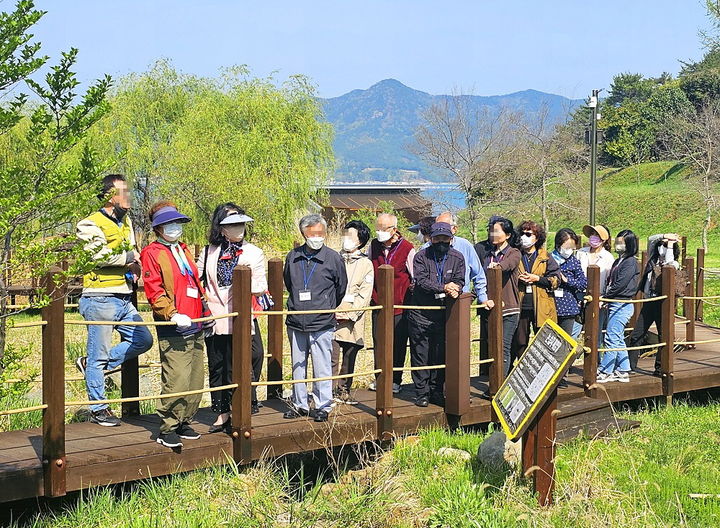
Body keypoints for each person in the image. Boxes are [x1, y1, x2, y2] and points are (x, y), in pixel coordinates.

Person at [75, 174, 153, 427]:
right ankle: (99, 408)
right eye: (124, 192)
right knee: (98, 354)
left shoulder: (126, 222)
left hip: (123, 295)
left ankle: (90, 367)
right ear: (110, 195)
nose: (129, 197)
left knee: (143, 339)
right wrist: (130, 256)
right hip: (99, 297)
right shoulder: (89, 224)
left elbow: (131, 253)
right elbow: (99, 255)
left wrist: (133, 263)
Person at [141, 201, 212, 448]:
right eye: (168, 224)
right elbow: (154, 290)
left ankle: (184, 420)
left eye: (177, 223)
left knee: (195, 378)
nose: (174, 228)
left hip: (196, 320)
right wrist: (170, 312)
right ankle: (167, 426)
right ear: (158, 228)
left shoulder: (182, 250)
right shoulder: (152, 253)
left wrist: (205, 309)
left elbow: (195, 283)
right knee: (177, 377)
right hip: (174, 323)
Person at [196, 204, 267, 433]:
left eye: (240, 223)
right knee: (218, 364)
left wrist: (242, 282)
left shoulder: (254, 252)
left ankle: (243, 404)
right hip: (216, 317)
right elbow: (198, 280)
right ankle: (221, 411)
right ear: (221, 228)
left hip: (242, 315)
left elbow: (261, 284)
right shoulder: (208, 252)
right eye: (231, 224)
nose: (238, 228)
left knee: (248, 358)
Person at [283, 214, 347, 422]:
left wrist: (326, 305)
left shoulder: (333, 258)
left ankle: (323, 405)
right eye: (313, 234)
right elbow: (288, 283)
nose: (317, 237)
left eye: (321, 234)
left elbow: (341, 288)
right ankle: (299, 403)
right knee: (297, 365)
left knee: (322, 365)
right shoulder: (293, 256)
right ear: (304, 234)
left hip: (322, 321)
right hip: (296, 320)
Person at [407, 222, 465, 407]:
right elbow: (421, 280)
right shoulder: (421, 256)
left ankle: (437, 390)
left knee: (440, 354)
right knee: (420, 354)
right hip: (420, 314)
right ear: (431, 239)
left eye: (445, 239)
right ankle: (421, 392)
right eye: (437, 238)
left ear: (451, 239)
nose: (441, 242)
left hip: (445, 314)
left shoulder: (458, 257)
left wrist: (456, 287)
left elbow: (460, 279)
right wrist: (443, 287)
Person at [368, 213, 415, 394]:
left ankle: (395, 380)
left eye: (383, 229)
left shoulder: (407, 248)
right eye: (377, 228)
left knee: (398, 343)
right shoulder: (374, 246)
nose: (379, 232)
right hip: (378, 304)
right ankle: (379, 378)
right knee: (379, 342)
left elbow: (414, 276)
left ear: (394, 229)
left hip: (400, 306)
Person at [331, 220, 374, 404]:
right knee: (330, 356)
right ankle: (328, 391)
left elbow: (365, 293)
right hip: (331, 316)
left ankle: (344, 390)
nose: (346, 239)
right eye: (345, 234)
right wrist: (332, 312)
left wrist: (349, 314)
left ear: (360, 241)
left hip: (353, 318)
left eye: (351, 235)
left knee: (350, 355)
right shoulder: (333, 258)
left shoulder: (366, 264)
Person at [626, 233, 681, 375]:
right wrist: (664, 236)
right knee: (637, 333)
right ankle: (630, 366)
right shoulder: (653, 259)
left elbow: (668, 263)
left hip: (664, 304)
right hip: (650, 301)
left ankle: (660, 368)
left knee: (664, 336)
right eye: (661, 245)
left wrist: (670, 244)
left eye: (666, 247)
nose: (662, 248)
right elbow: (650, 239)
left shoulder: (674, 263)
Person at [474, 216, 521, 376]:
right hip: (490, 307)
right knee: (491, 346)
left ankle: (499, 383)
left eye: (497, 231)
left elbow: (508, 265)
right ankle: (493, 380)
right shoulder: (487, 254)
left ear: (507, 235)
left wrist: (498, 266)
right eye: (491, 231)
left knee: (503, 346)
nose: (493, 234)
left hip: (509, 309)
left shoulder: (513, 252)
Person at [510, 220, 560, 369]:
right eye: (522, 233)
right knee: (520, 341)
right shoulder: (515, 254)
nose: (524, 237)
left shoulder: (546, 257)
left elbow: (556, 280)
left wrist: (537, 278)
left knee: (543, 341)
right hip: (520, 304)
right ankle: (525, 369)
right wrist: (518, 278)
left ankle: (542, 371)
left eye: (528, 234)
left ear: (537, 238)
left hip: (542, 306)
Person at [597, 229, 640, 383]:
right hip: (614, 302)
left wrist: (605, 297)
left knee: (611, 337)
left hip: (622, 303)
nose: (618, 245)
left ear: (629, 244)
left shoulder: (631, 262)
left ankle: (605, 370)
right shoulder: (619, 260)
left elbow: (621, 284)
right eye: (617, 241)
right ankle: (623, 369)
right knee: (618, 337)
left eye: (622, 242)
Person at [433, 212, 491, 307]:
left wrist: (483, 298)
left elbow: (478, 275)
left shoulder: (465, 246)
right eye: (437, 226)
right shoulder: (426, 249)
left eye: (444, 226)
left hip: (460, 301)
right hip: (434, 302)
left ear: (454, 229)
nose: (440, 229)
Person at [577, 224, 614, 346]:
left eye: (597, 235)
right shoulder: (581, 253)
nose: (593, 238)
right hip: (580, 296)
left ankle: (596, 361)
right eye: (592, 235)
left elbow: (610, 280)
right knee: (575, 329)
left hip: (599, 298)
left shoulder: (608, 257)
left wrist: (605, 299)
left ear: (603, 239)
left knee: (596, 332)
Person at [550, 228, 587, 338]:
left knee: (564, 341)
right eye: (567, 247)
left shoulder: (574, 261)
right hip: (549, 305)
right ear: (558, 245)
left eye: (572, 247)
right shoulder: (548, 259)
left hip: (567, 308)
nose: (569, 250)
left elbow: (583, 284)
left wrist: (567, 280)